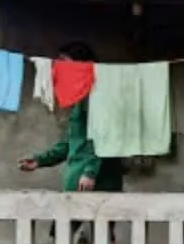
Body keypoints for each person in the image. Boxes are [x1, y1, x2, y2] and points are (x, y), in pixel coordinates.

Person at [17, 46, 124, 193]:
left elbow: (105, 135)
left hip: (96, 181)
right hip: (78, 178)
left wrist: (90, 171)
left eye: (65, 63)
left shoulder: (99, 96)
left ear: (82, 67)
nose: (59, 70)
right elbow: (71, 141)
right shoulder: (79, 98)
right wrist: (40, 160)